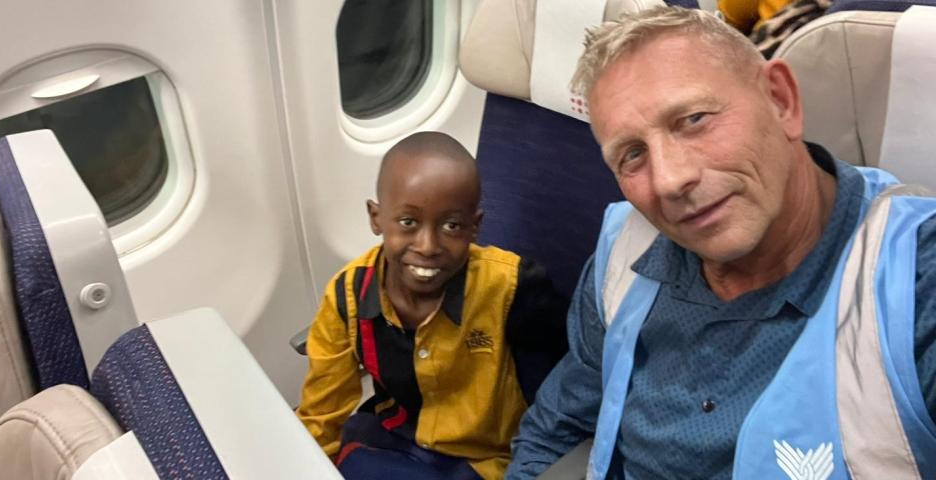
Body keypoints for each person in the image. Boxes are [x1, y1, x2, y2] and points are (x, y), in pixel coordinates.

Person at [507, 6, 936, 480]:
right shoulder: (625, 250)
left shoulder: (916, 279)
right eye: (632, 154)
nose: (670, 180)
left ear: (781, 101)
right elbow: (557, 429)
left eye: (693, 119)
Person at [297, 131, 568, 480]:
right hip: (395, 437)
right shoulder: (348, 295)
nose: (427, 246)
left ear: (474, 227)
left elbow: (564, 392)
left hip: (486, 458)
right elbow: (321, 415)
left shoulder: (513, 289)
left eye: (451, 226)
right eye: (408, 222)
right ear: (376, 217)